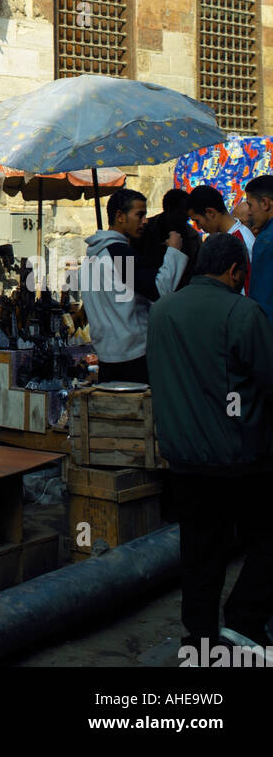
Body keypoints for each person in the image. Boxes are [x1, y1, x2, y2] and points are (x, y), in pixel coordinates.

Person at [146, 232, 273, 651]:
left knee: (199, 552)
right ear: (235, 271)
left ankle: (199, 636)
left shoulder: (162, 311)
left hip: (183, 459)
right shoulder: (243, 311)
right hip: (238, 459)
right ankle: (243, 618)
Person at [78, 188, 188, 383]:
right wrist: (174, 252)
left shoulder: (92, 258)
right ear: (120, 216)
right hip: (133, 357)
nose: (145, 221)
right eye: (139, 215)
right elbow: (160, 291)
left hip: (108, 356)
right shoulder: (118, 254)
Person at [186, 185, 254, 295]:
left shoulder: (240, 240)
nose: (198, 227)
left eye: (197, 221)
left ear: (210, 213)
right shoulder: (227, 238)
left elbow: (247, 289)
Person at [135, 189, 201, 289]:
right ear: (168, 211)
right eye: (181, 217)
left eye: (186, 218)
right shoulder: (143, 231)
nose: (183, 223)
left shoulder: (192, 237)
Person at [244, 176, 273, 324]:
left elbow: (262, 303)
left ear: (265, 203)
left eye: (250, 205)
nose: (249, 212)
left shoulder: (265, 241)